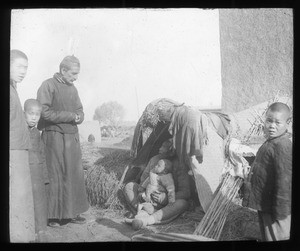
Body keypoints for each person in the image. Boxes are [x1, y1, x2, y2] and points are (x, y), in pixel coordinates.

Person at [37, 55, 89, 227]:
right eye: (73, 73)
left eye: (77, 74)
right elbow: (44, 112)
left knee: (72, 175)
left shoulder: (73, 89)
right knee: (56, 176)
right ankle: (53, 216)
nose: (75, 77)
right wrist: (71, 116)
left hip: (71, 137)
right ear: (63, 70)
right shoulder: (48, 85)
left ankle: (71, 213)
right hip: (54, 137)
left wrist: (80, 116)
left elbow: (80, 110)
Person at [242, 102, 292, 241]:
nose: (272, 126)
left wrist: (281, 212)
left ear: (287, 123)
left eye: (277, 122)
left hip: (276, 209)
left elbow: (285, 181)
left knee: (276, 237)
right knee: (267, 236)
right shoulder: (272, 141)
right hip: (265, 203)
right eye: (269, 121)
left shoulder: (282, 146)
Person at [123, 140, 191, 230]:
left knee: (182, 203)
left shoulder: (180, 165)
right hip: (148, 199)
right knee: (129, 186)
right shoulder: (155, 159)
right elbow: (143, 180)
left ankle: (149, 219)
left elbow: (186, 192)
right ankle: (141, 209)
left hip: (168, 203)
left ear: (171, 150)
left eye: (163, 147)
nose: (160, 149)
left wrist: (165, 198)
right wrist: (142, 192)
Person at [9, 50, 35, 242]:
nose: (23, 71)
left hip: (19, 148)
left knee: (20, 197)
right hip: (13, 150)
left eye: (26, 67)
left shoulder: (13, 88)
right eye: (19, 66)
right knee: (17, 197)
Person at [24, 99, 49, 242]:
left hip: (38, 174)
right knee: (29, 203)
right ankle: (31, 231)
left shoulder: (37, 133)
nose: (34, 117)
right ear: (24, 114)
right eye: (31, 114)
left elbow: (42, 154)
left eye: (37, 115)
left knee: (40, 202)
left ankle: (41, 230)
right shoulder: (20, 132)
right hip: (27, 174)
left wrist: (45, 176)